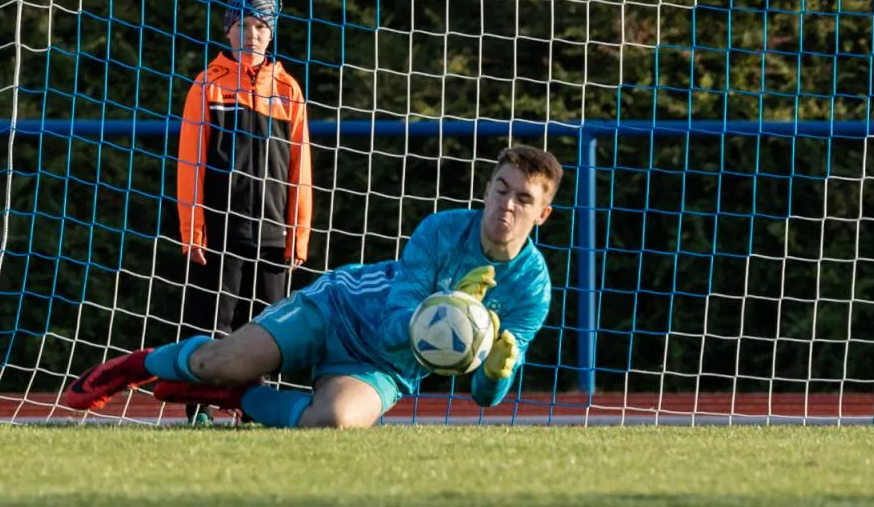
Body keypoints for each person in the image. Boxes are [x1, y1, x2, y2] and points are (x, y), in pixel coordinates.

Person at [65, 146, 561, 427]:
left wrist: (496, 369)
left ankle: (237, 397)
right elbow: (395, 322)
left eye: (523, 199)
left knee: (336, 421)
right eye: (500, 189)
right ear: (487, 188)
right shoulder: (441, 231)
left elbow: (484, 397)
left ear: (542, 214)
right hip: (338, 308)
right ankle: (133, 365)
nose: (507, 205)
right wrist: (451, 306)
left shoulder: (533, 289)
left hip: (384, 367)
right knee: (216, 360)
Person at [174, 0, 311, 414]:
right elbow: (190, 163)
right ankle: (198, 410)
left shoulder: (287, 90)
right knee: (210, 326)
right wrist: (193, 230)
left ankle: (256, 412)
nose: (252, 34)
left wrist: (298, 236)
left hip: (273, 235)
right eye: (244, 25)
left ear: (272, 33)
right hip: (220, 233)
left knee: (267, 334)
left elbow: (300, 168)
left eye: (261, 26)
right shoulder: (207, 86)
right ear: (228, 29)